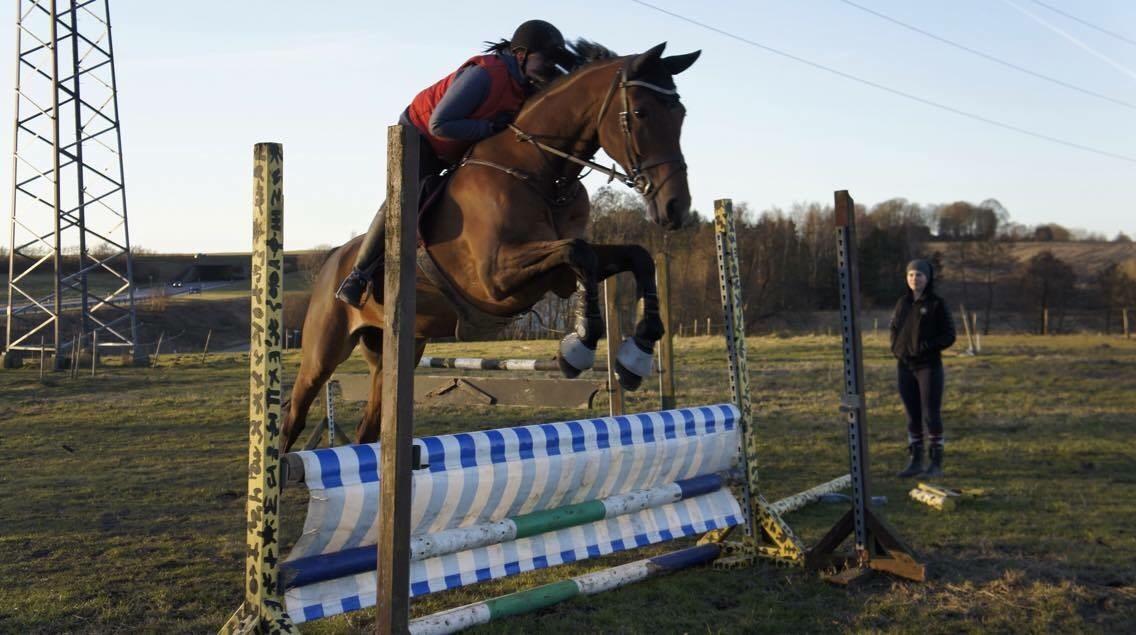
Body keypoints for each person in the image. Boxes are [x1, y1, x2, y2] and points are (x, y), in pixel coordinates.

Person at [335, 19, 575, 307]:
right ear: (521, 55)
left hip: (459, 145)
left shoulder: (526, 85)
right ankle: (358, 275)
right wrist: (489, 129)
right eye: (546, 60)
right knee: (405, 198)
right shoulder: (485, 75)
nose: (550, 68)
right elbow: (440, 124)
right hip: (420, 136)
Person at [890, 259, 956, 478]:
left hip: (928, 367)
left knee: (930, 413)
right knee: (912, 415)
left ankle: (935, 463)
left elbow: (949, 335)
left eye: (918, 275)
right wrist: (896, 348)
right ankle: (916, 461)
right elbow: (895, 328)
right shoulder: (903, 303)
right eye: (910, 275)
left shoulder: (936, 303)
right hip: (905, 366)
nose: (914, 279)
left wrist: (926, 347)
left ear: (927, 278)